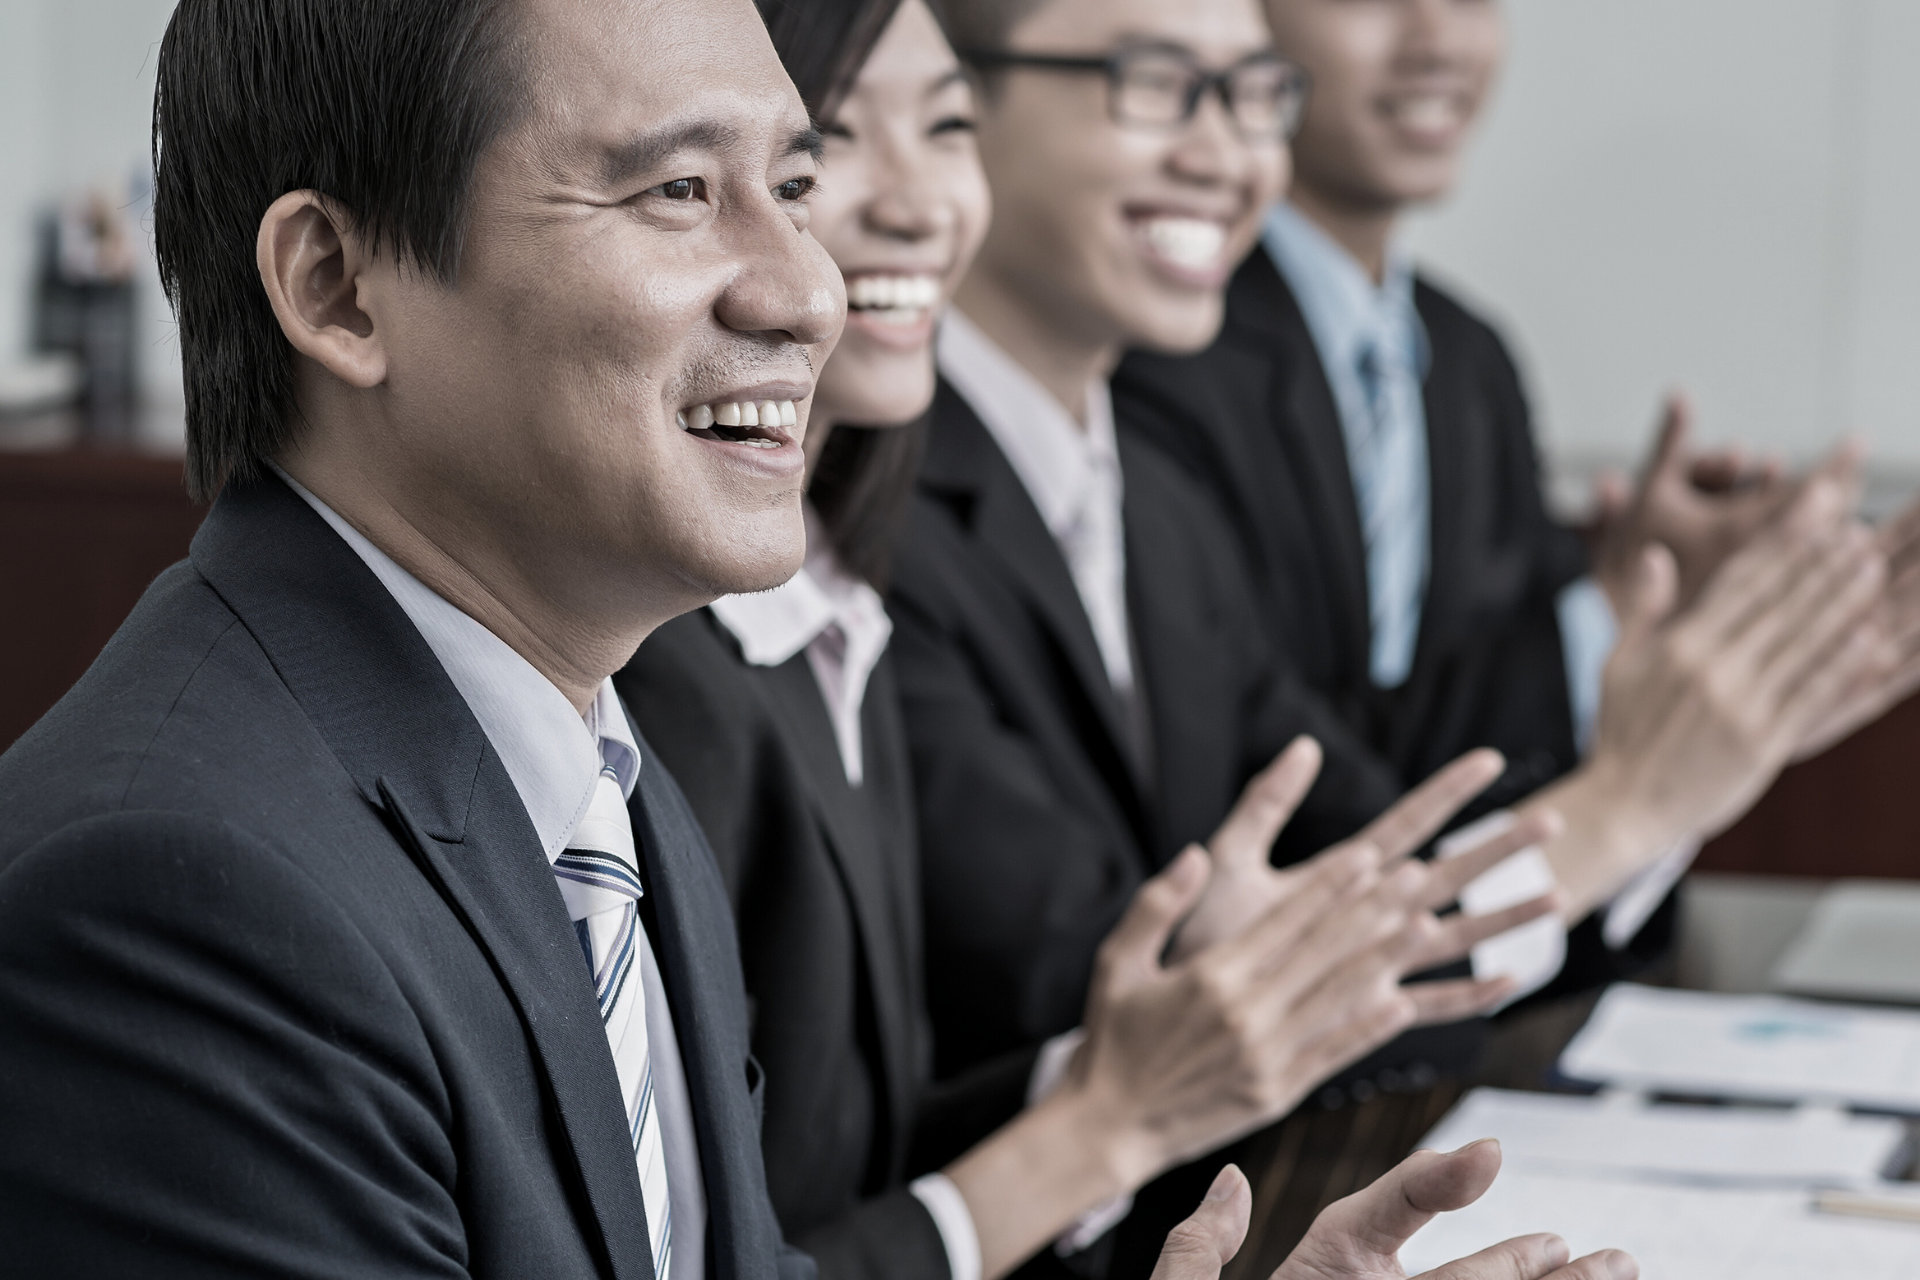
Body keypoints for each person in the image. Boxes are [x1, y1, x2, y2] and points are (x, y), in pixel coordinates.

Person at [889, 0, 1901, 1267]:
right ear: (947, 103)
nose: (1226, 149)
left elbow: (1378, 849)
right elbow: (1110, 991)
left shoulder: (1148, 509)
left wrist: (1665, 757)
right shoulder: (878, 514)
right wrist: (1634, 795)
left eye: (1251, 91)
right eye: (1156, 83)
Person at [618, 3, 1570, 1278]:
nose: (903, 201)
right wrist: (1110, 1115)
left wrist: (1128, 1082)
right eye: (826, 148)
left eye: (939, 126)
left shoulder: (847, 600)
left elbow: (858, 1148)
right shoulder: (683, 649)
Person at [1108, 0, 1919, 995]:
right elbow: (1296, 764)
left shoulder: (1466, 357)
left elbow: (1479, 728)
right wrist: (1604, 624)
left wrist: (1643, 602)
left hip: (1453, 998)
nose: (1439, 38)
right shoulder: (1147, 347)